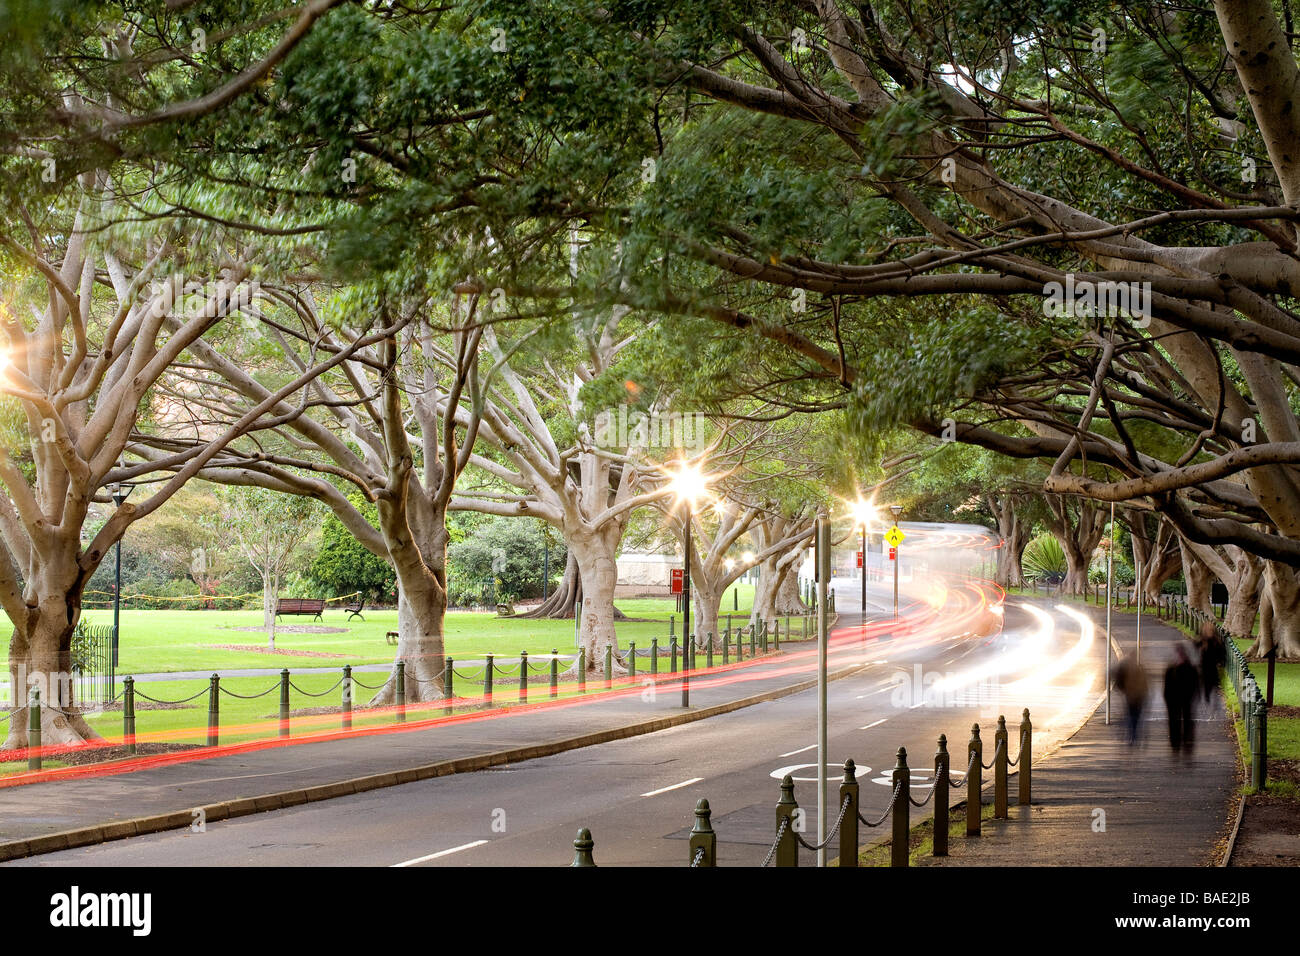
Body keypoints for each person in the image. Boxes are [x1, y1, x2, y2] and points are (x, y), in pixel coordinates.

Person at [1162, 645, 1198, 752]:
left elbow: (1195, 684)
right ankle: (1176, 742)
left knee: (1184, 720)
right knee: (1175, 720)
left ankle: (1183, 741)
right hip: (1175, 699)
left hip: (1185, 698)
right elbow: (1166, 685)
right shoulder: (1172, 668)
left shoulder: (1187, 668)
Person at [1111, 656, 1148, 744]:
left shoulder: (1137, 669)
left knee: (1131, 716)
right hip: (1132, 696)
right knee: (1133, 716)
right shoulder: (1137, 669)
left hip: (1134, 696)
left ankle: (1131, 735)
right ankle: (1132, 735)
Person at [1197, 621, 1225, 702]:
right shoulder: (1202, 640)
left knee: (1214, 681)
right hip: (1204, 664)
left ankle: (1214, 694)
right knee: (1206, 681)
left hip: (1213, 664)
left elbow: (1221, 651)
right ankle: (1207, 694)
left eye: (1210, 630)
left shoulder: (1216, 641)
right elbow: (1196, 647)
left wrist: (1221, 661)